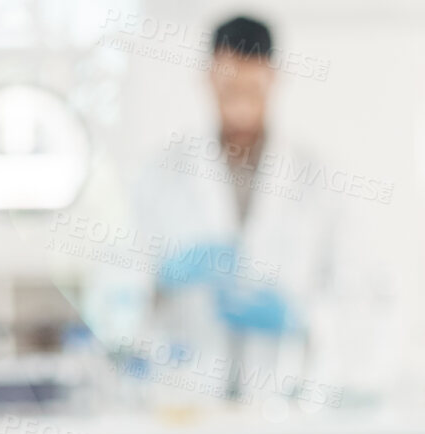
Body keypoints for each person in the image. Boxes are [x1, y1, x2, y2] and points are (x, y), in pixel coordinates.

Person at [93, 16, 385, 407]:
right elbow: (113, 293)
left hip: (286, 398)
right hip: (183, 400)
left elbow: (359, 294)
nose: (241, 106)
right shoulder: (161, 176)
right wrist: (161, 279)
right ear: (209, 78)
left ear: (273, 79)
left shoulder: (317, 179)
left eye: (252, 89)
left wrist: (301, 316)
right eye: (229, 88)